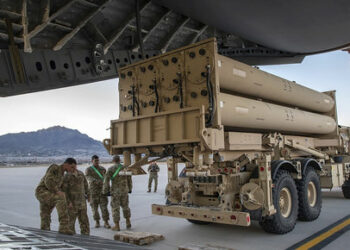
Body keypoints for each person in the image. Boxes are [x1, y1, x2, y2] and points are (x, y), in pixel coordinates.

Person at [35, 158, 76, 235]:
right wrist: (57, 191)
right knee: (60, 198)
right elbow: (48, 181)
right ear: (66, 164)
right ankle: (63, 227)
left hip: (48, 194)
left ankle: (44, 231)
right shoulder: (55, 168)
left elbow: (62, 190)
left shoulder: (62, 176)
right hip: (42, 192)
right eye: (72, 167)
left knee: (45, 214)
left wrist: (66, 202)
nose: (72, 170)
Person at [103, 155, 132, 231]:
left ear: (113, 161)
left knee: (115, 208)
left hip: (115, 192)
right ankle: (128, 221)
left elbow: (106, 181)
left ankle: (117, 225)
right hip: (124, 191)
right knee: (125, 206)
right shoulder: (125, 168)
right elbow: (129, 178)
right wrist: (130, 188)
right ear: (120, 160)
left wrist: (106, 191)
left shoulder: (110, 169)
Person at [63, 164, 90, 235]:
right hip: (72, 203)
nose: (73, 168)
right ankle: (72, 239)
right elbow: (64, 191)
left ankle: (86, 237)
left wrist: (88, 195)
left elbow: (86, 185)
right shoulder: (66, 176)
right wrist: (68, 202)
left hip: (82, 202)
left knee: (84, 221)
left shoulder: (81, 174)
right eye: (71, 166)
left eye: (74, 166)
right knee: (71, 223)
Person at [85, 155, 111, 228]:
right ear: (92, 161)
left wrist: (107, 187)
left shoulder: (103, 169)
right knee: (94, 208)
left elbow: (106, 178)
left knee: (104, 208)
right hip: (93, 192)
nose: (97, 162)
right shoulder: (89, 169)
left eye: (98, 160)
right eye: (95, 161)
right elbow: (88, 178)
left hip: (102, 191)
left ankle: (106, 222)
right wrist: (97, 181)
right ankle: (97, 222)